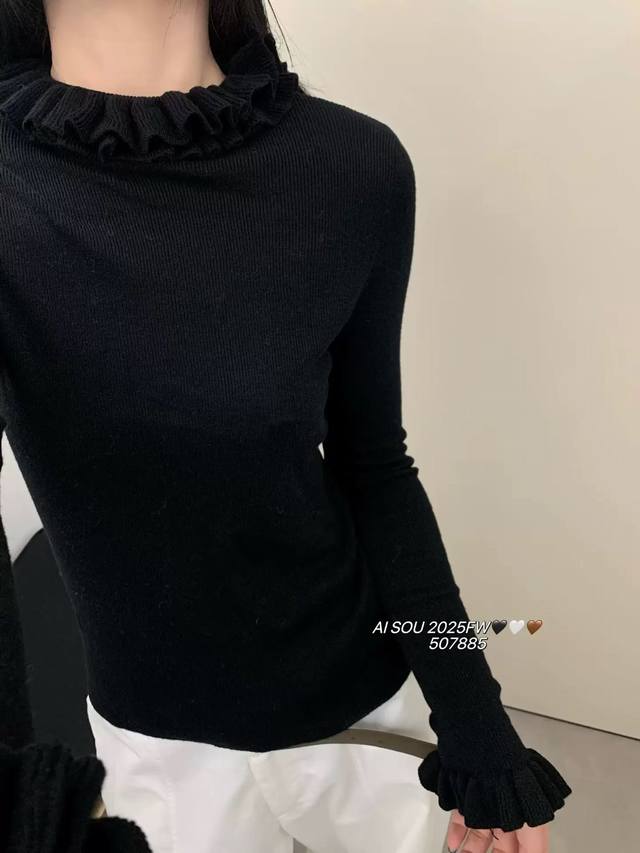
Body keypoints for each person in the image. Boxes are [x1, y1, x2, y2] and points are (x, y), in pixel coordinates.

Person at [0, 2, 571, 851]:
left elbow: (376, 465)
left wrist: (476, 718)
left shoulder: (353, 165)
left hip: (365, 699)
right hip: (162, 748)